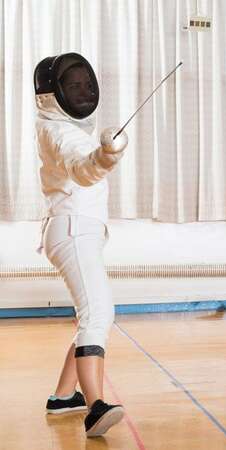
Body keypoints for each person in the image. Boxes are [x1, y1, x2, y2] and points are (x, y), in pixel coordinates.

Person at [34, 53, 128, 436]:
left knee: (91, 313)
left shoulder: (65, 129)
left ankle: (63, 397)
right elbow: (81, 168)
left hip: (75, 229)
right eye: (73, 86)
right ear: (51, 93)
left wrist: (102, 153)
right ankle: (95, 407)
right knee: (98, 314)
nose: (83, 90)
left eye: (85, 84)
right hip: (72, 229)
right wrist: (104, 158)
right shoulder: (59, 132)